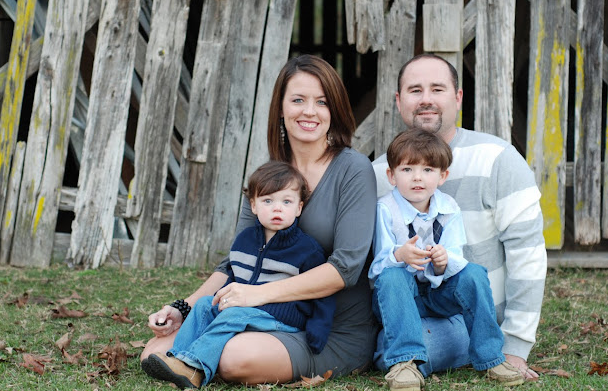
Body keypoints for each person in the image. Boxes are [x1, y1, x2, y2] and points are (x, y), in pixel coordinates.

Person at [141, 54, 378, 384]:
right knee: (153, 351)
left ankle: (207, 358)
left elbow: (346, 268)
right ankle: (202, 356)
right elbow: (233, 265)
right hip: (257, 313)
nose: (309, 111)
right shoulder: (268, 177)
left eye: (322, 102)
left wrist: (257, 294)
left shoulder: (353, 170)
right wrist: (184, 307)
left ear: (333, 110)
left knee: (235, 358)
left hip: (327, 329)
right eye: (298, 100)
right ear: (281, 108)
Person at [372, 53, 546, 381]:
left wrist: (516, 345)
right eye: (414, 90)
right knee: (396, 334)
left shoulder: (498, 159)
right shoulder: (380, 174)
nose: (426, 100)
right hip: (402, 310)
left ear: (457, 97)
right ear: (398, 101)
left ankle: (484, 352)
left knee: (465, 286)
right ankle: (404, 353)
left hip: (467, 313)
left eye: (437, 89)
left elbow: (528, 256)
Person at [143, 161, 335, 388]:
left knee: (234, 314)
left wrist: (317, 331)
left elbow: (323, 293)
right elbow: (235, 277)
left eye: (286, 201)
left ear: (299, 208)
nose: (277, 208)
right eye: (267, 201)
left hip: (283, 317)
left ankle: (194, 368)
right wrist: (217, 300)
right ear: (253, 206)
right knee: (205, 304)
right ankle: (176, 359)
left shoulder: (306, 249)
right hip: (245, 309)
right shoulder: (244, 241)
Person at [370, 129, 525, 389]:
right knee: (393, 275)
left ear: (443, 176)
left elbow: (456, 257)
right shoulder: (386, 209)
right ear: (391, 175)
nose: (417, 177)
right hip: (399, 296)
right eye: (407, 169)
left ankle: (490, 357)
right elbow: (377, 268)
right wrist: (400, 255)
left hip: (437, 294)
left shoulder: (449, 208)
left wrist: (443, 261)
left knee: (474, 273)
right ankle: (405, 362)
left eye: (428, 170)